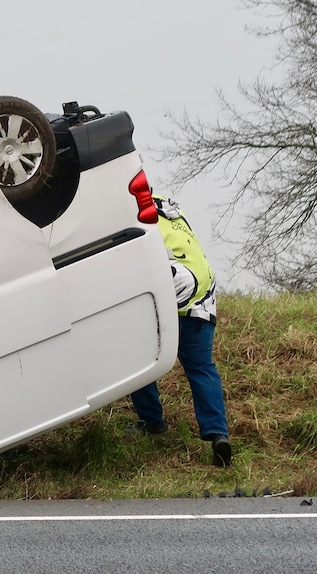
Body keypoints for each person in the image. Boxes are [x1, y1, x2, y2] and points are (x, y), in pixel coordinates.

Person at [131, 194, 232, 467]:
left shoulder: (131, 209)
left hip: (174, 288)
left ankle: (152, 421)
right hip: (203, 291)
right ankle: (218, 435)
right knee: (201, 368)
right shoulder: (169, 208)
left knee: (141, 356)